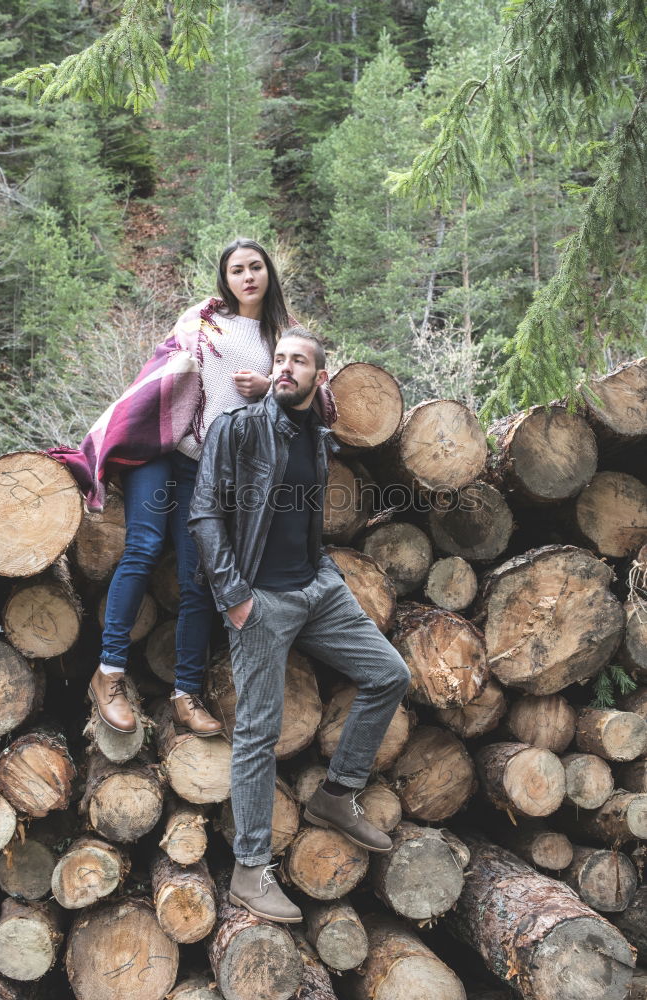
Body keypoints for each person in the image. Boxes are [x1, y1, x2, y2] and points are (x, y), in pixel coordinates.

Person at [188, 326, 411, 923]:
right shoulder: (235, 429)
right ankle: (250, 870)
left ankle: (336, 796)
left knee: (390, 674)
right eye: (279, 359)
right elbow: (204, 514)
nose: (285, 368)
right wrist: (234, 596)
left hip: (318, 588)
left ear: (318, 375)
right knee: (259, 732)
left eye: (298, 362)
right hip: (260, 600)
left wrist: (322, 576)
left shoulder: (315, 433)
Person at [49, 238, 290, 736]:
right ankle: (109, 672)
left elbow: (309, 392)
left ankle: (186, 692)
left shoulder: (280, 339)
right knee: (143, 544)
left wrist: (268, 388)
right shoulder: (203, 319)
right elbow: (164, 373)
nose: (247, 276)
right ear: (225, 279)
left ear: (269, 273)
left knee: (197, 574)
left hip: (207, 471)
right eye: (236, 269)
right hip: (160, 451)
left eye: (255, 267)